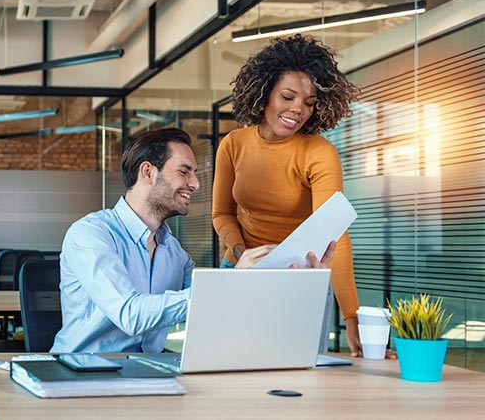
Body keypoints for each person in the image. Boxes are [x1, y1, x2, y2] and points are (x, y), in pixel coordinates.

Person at [51, 127, 334, 354]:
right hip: (81, 376)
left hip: (147, 375)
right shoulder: (90, 234)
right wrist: (233, 281)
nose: (196, 184)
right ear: (148, 172)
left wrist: (296, 279)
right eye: (184, 171)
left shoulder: (173, 252)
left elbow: (218, 309)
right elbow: (130, 315)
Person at [212, 33, 364, 356]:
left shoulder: (319, 153)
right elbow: (221, 214)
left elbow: (337, 236)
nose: (298, 110)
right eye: (288, 97)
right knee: (231, 364)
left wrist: (352, 315)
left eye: (308, 103)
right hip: (241, 271)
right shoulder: (233, 145)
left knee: (302, 374)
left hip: (299, 277)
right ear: (264, 94)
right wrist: (242, 255)